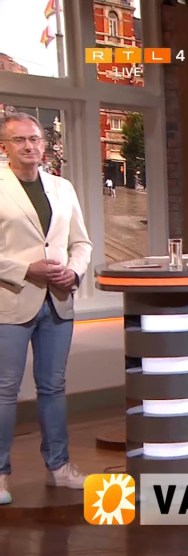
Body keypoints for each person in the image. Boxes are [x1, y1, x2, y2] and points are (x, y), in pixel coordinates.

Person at [0, 112, 93, 505]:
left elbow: (81, 243)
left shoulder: (61, 187)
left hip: (57, 301)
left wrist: (74, 272)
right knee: (4, 390)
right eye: (20, 139)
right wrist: (26, 269)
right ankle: (0, 475)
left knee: (53, 387)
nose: (30, 146)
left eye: (35, 139)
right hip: (11, 301)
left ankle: (60, 467)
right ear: (5, 146)